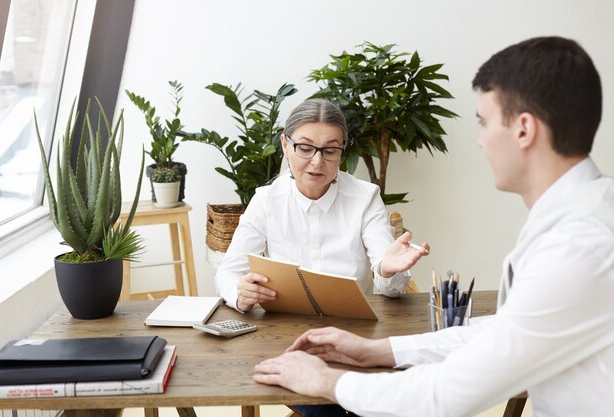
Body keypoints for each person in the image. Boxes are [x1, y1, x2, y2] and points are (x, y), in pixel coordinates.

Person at [253, 36, 614, 417]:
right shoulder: (583, 215)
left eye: (484, 122)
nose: (480, 141)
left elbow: (449, 394)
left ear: (524, 129)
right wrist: (376, 350)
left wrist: (328, 382)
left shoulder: (579, 245)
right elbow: (504, 333)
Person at [215, 98, 430, 313]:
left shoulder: (365, 198)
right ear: (285, 145)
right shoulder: (266, 200)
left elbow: (391, 289)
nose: (317, 162)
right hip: (283, 329)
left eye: (329, 151)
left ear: (341, 151)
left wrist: (387, 270)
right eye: (305, 148)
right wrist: (239, 294)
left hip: (352, 326)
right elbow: (227, 273)